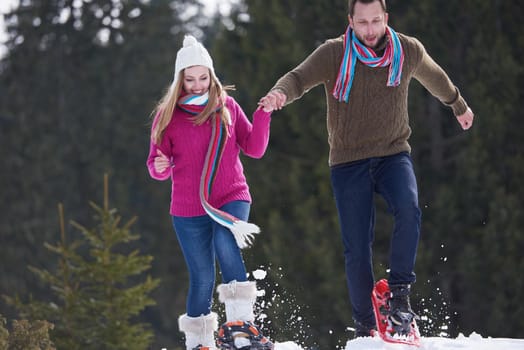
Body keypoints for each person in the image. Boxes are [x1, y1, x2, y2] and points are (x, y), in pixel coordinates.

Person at [260, 0, 474, 338]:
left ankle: (400, 297)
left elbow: (436, 77)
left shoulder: (407, 50)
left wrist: (458, 104)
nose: (370, 30)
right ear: (351, 22)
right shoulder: (333, 54)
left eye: (376, 21)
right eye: (363, 23)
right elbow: (298, 78)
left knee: (409, 208)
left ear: (386, 18)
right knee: (356, 247)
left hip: (393, 155)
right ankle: (365, 326)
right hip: (348, 162)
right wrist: (278, 94)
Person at [147, 35, 275, 350]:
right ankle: (199, 343)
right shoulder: (167, 116)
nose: (198, 84)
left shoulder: (226, 106)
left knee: (224, 239)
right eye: (190, 79)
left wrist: (263, 114)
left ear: (211, 75)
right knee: (202, 276)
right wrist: (162, 165)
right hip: (188, 211)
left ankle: (241, 326)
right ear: (179, 80)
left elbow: (254, 148)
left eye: (203, 77)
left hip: (231, 195)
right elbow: (155, 165)